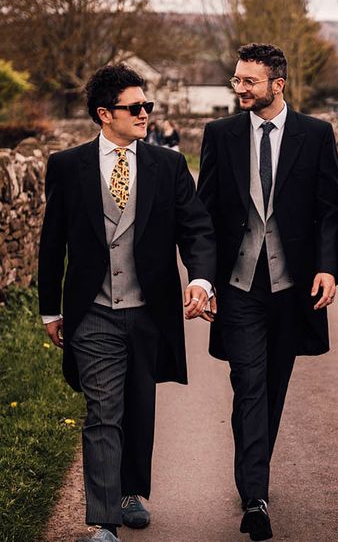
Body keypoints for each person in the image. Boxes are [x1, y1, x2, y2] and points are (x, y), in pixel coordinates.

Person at [38, 64, 216, 542]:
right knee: (103, 411)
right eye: (134, 107)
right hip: (92, 311)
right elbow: (52, 242)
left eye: (147, 106)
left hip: (148, 310)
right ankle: (104, 522)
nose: (144, 114)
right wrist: (50, 308)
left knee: (139, 404)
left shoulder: (168, 165)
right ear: (104, 114)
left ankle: (131, 491)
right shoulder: (67, 166)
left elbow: (195, 229)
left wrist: (200, 280)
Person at [197, 43, 338, 541]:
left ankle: (253, 471)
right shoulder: (219, 135)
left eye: (249, 82)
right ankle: (255, 495)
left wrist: (327, 268)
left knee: (273, 386)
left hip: (292, 286)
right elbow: (205, 213)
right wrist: (202, 276)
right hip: (238, 286)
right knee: (249, 383)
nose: (239, 88)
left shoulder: (316, 134)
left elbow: (330, 210)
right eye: (236, 80)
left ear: (277, 85)